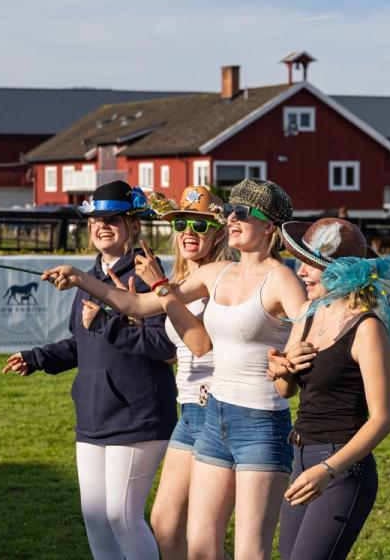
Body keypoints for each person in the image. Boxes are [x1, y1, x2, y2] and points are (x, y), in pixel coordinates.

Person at [43, 178, 307, 560]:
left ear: (269, 226)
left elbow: (307, 332)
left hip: (260, 420)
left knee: (249, 551)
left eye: (242, 213)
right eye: (230, 210)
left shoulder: (282, 278)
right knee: (188, 540)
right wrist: (81, 278)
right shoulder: (214, 273)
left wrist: (289, 366)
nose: (232, 219)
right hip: (210, 413)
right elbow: (138, 305)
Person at [2, 180, 177, 560]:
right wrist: (36, 358)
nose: (102, 226)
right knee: (96, 518)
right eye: (95, 219)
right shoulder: (88, 276)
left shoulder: (150, 276)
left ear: (134, 225)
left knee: (122, 517)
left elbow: (165, 348)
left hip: (138, 416)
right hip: (93, 414)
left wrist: (108, 324)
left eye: (112, 219)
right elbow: (80, 344)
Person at [268, 217, 390, 560]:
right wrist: (280, 367)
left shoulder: (366, 328)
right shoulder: (307, 313)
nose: (301, 272)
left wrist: (328, 469)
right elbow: (284, 391)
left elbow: (383, 419)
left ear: (343, 272)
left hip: (342, 469)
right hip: (301, 457)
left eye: (312, 265)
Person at [138, 186, 232, 559]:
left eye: (199, 224)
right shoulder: (176, 283)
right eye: (181, 224)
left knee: (203, 541)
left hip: (218, 410)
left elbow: (201, 343)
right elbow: (181, 349)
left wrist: (159, 289)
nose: (189, 232)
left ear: (219, 233)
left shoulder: (223, 279)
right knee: (164, 525)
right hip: (188, 410)